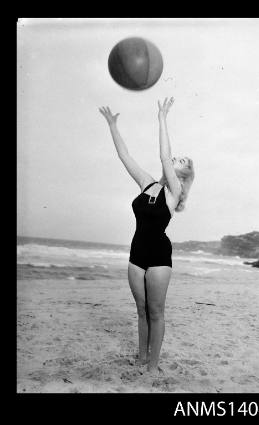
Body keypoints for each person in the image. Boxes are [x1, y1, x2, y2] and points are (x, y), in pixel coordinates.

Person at [99, 97, 195, 374]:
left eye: (182, 160)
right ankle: (142, 358)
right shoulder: (148, 183)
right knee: (141, 310)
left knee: (156, 311)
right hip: (136, 253)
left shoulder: (174, 192)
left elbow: (165, 156)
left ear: (183, 174)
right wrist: (112, 126)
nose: (176, 158)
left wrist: (162, 118)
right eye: (178, 157)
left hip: (159, 257)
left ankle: (152, 366)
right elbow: (125, 156)